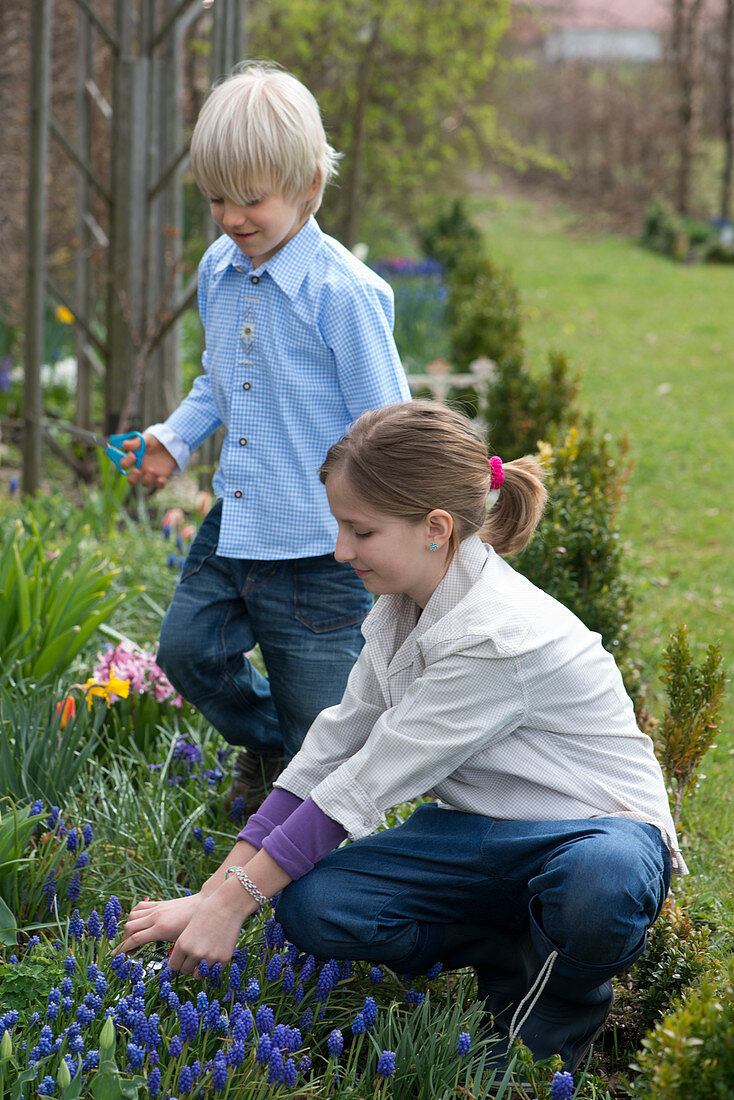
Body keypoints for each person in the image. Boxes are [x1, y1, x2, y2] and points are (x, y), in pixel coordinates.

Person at [118, 401, 685, 1072]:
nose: (340, 550)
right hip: (481, 836)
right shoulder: (400, 610)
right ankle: (516, 949)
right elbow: (328, 753)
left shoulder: (494, 636)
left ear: (434, 529)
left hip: (597, 837)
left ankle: (554, 1017)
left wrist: (235, 904)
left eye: (360, 531)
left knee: (600, 884)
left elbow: (364, 785)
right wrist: (216, 896)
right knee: (314, 905)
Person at [121, 62, 411, 812]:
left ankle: (311, 815)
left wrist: (399, 531)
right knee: (187, 652)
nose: (230, 217)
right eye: (216, 198)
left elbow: (389, 424)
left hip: (322, 548)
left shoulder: (341, 295)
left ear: (309, 186)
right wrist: (172, 441)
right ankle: (271, 746)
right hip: (237, 523)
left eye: (251, 199)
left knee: (320, 711)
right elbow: (220, 380)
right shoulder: (220, 269)